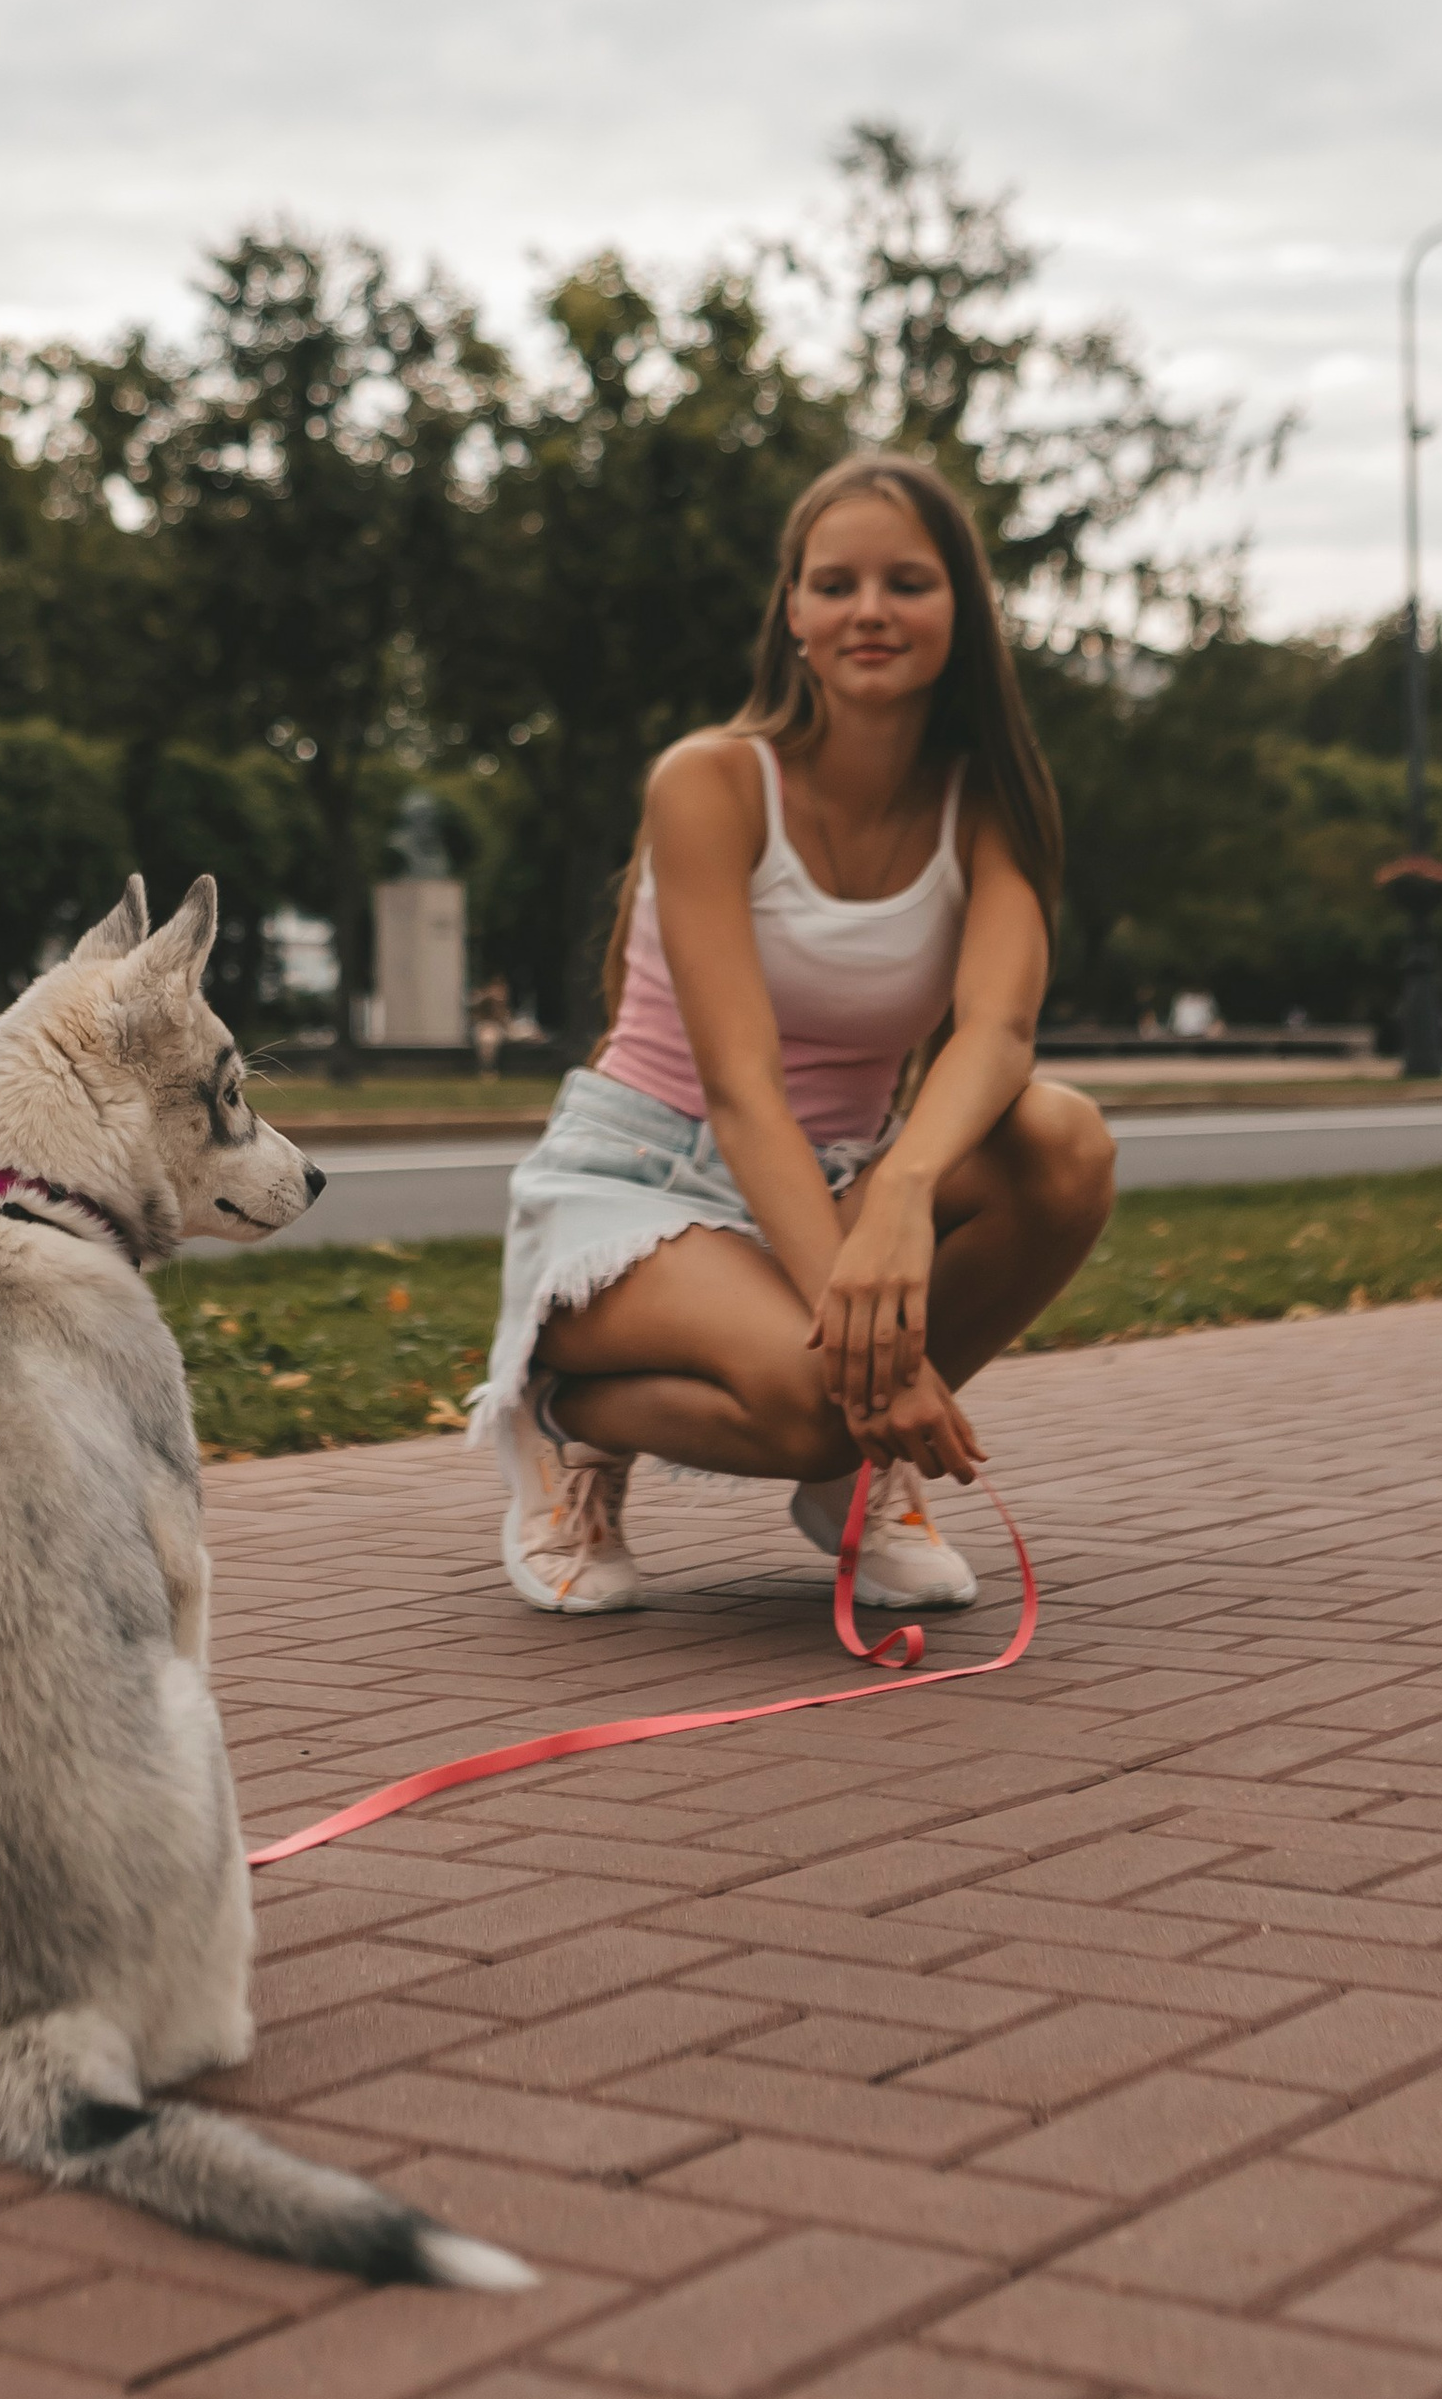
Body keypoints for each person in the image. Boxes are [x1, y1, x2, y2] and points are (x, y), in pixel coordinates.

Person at [473, 450, 1116, 1614]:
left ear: (961, 611)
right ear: (795, 616)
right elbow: (742, 1090)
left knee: (1063, 1144)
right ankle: (559, 1410)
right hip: (644, 1183)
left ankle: (842, 1466)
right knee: (809, 1390)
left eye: (907, 582)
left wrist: (906, 1188)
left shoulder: (992, 803)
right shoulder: (711, 782)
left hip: (839, 1175)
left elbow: (998, 1032)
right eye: (835, 584)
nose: (869, 610)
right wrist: (886, 1353)